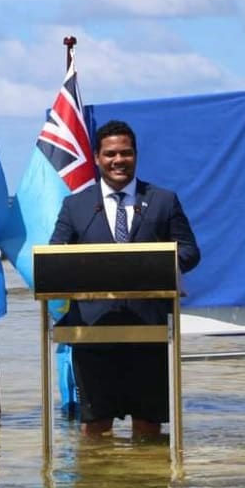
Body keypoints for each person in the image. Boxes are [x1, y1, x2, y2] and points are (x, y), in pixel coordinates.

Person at [49, 119, 200, 437]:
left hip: (149, 327)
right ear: (97, 158)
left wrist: (156, 267)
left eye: (126, 153)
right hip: (92, 329)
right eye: (110, 154)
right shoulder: (75, 205)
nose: (119, 160)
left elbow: (189, 251)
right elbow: (55, 255)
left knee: (148, 426)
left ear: (135, 155)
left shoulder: (163, 200)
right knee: (95, 427)